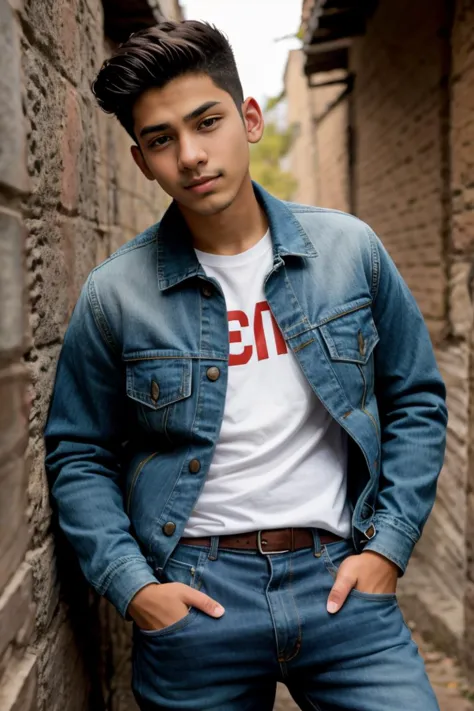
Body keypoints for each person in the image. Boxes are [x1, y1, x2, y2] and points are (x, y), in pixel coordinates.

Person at [44, 20, 448, 711]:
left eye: (208, 122)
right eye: (162, 139)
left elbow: (415, 399)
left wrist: (387, 547)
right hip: (198, 597)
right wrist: (136, 587)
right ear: (142, 161)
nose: (192, 155)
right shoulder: (116, 294)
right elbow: (77, 451)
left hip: (340, 583)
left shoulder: (350, 251)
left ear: (250, 117)